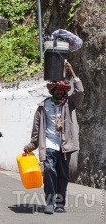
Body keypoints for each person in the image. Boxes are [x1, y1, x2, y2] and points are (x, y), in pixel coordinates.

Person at [23, 61, 84, 214]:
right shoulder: (43, 106)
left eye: (62, 90)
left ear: (65, 92)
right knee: (50, 171)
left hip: (64, 146)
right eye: (57, 89)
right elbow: (37, 129)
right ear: (52, 90)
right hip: (48, 145)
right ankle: (49, 203)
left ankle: (60, 204)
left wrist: (72, 72)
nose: (59, 92)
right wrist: (31, 145)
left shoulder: (69, 104)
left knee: (62, 176)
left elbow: (80, 92)